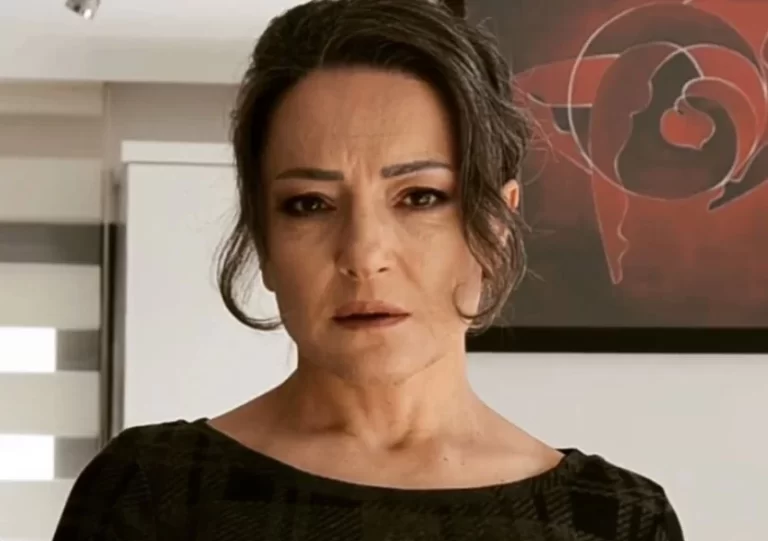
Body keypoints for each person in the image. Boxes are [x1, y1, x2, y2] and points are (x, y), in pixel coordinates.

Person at [53, 0, 685, 539]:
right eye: (309, 205)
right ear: (264, 239)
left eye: (420, 197)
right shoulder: (151, 492)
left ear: (496, 228)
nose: (363, 254)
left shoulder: (617, 521)